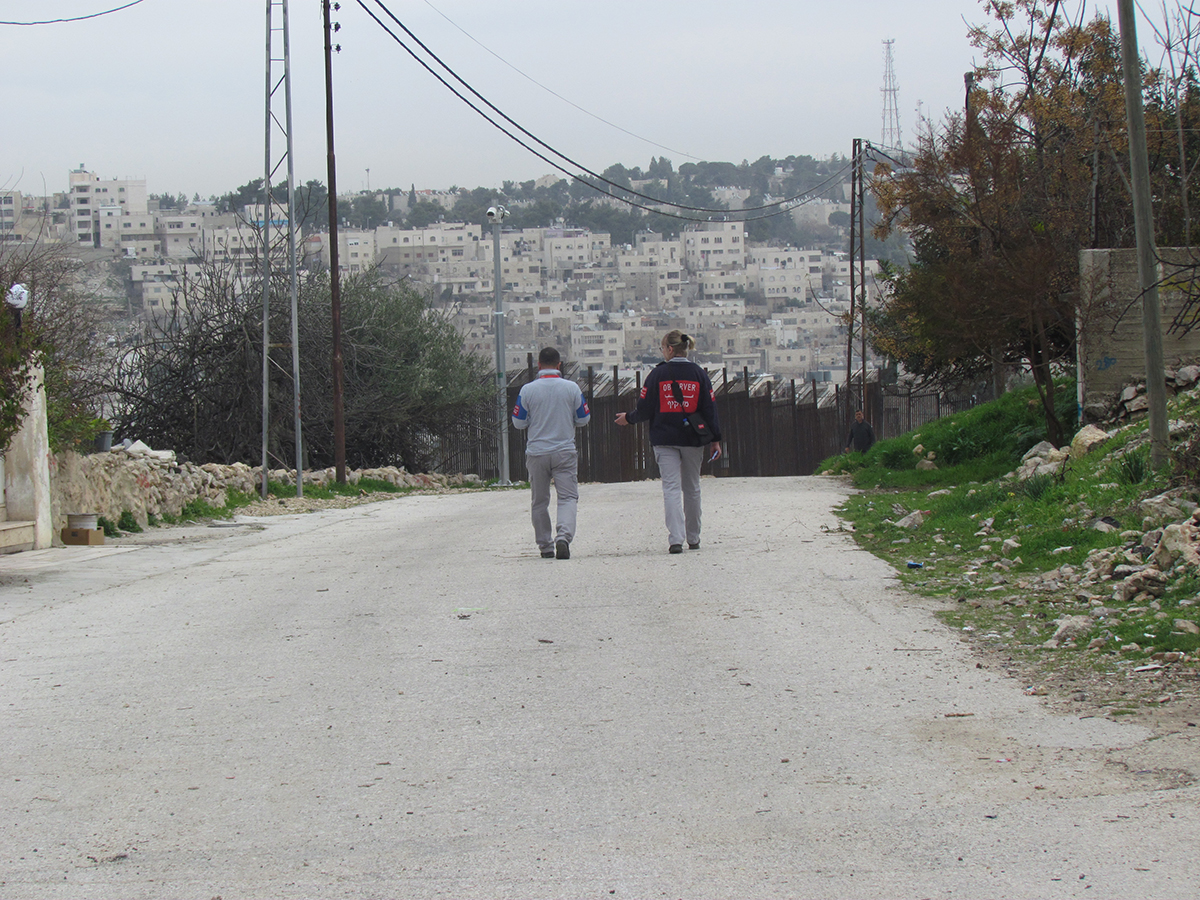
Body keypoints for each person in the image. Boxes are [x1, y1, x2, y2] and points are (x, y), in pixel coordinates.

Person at [615, 330, 722, 554]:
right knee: (692, 487)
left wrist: (628, 419)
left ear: (670, 349)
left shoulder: (657, 375)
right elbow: (710, 410)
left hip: (664, 439)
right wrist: (715, 439)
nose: (662, 352)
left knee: (671, 488)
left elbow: (644, 409)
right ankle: (694, 537)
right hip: (693, 439)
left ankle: (675, 539)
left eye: (663, 348)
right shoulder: (699, 374)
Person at [512, 347, 591, 559]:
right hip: (564, 450)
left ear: (538, 365)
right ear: (559, 366)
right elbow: (583, 418)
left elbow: (518, 422)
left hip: (537, 452)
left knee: (539, 501)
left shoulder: (527, 390)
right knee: (567, 497)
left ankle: (545, 546)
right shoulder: (572, 388)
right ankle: (563, 537)